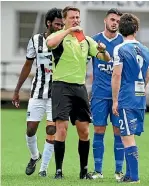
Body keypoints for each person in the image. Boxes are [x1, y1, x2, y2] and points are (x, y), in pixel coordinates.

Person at [46, 6, 111, 179]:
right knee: (62, 128)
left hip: (79, 88)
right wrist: (68, 31)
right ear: (65, 19)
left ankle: (83, 171)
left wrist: (103, 50)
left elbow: (106, 58)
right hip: (61, 86)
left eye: (77, 17)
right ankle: (59, 171)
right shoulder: (57, 36)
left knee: (84, 131)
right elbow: (50, 44)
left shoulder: (86, 40)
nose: (76, 20)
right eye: (72, 17)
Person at [12, 8, 64, 177]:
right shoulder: (35, 40)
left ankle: (44, 169)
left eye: (62, 24)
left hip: (56, 94)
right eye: (57, 24)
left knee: (51, 129)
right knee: (30, 129)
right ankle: (35, 156)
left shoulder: (65, 40)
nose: (60, 26)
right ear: (48, 23)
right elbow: (27, 65)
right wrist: (17, 89)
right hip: (37, 92)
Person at [112, 13, 149, 183]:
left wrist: (115, 100)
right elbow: (147, 76)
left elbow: (116, 76)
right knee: (127, 135)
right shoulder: (147, 50)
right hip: (140, 99)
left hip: (126, 98)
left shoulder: (120, 49)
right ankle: (128, 175)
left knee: (127, 137)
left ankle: (134, 177)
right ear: (136, 29)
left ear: (121, 30)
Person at [89, 9, 124, 181]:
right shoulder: (94, 40)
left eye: (118, 21)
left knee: (119, 132)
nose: (115, 23)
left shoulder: (123, 43)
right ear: (105, 20)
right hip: (99, 95)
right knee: (98, 130)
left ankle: (118, 172)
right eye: (112, 19)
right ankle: (98, 171)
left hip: (119, 96)